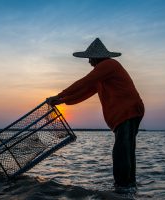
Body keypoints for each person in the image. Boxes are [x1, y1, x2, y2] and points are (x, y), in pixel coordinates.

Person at [47, 38, 145, 189]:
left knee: (121, 151)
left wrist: (59, 95)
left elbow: (85, 81)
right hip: (125, 113)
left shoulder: (109, 65)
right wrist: (62, 101)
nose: (88, 62)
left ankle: (122, 188)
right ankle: (129, 187)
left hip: (128, 110)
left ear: (95, 57)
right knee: (126, 150)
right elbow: (85, 91)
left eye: (89, 58)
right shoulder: (102, 74)